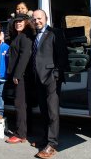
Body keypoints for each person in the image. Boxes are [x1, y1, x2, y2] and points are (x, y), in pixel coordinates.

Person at [32, 10, 68, 159]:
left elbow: (62, 55)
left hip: (51, 78)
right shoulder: (35, 35)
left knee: (53, 112)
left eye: (39, 18)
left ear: (46, 18)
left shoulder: (55, 33)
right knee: (44, 111)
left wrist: (56, 75)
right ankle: (45, 139)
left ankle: (52, 144)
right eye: (34, 19)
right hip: (38, 78)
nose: (37, 21)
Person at [5, 13, 34, 143]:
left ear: (26, 23)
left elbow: (24, 57)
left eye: (21, 21)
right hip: (20, 75)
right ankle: (26, 130)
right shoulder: (18, 36)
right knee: (24, 104)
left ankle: (20, 134)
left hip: (21, 76)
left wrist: (17, 74)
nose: (18, 23)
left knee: (20, 104)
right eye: (16, 22)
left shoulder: (25, 37)